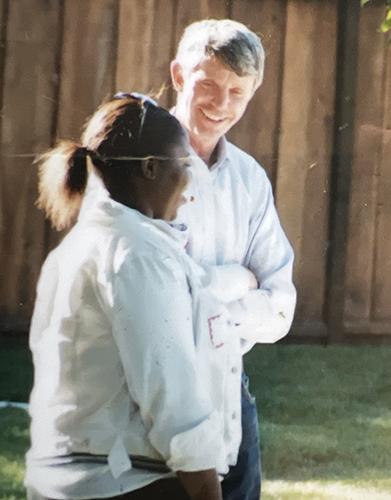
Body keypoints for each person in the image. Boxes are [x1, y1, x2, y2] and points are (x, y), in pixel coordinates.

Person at [25, 94, 232, 500]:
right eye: (184, 166)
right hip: (124, 484)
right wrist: (207, 487)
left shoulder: (79, 247)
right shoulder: (137, 255)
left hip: (68, 480)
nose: (190, 186)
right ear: (152, 168)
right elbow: (170, 391)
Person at [169, 19, 297, 500]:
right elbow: (150, 292)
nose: (220, 105)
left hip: (229, 392)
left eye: (237, 92)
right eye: (208, 85)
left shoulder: (249, 180)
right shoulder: (138, 164)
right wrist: (237, 281)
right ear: (180, 76)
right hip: (150, 391)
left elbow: (281, 307)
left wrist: (208, 303)